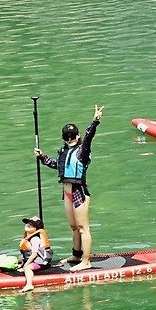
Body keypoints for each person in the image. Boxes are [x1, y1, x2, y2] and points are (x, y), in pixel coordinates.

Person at [36, 104, 103, 271]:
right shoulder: (62, 152)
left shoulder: (82, 150)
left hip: (79, 191)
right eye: (67, 136)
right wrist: (42, 157)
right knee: (73, 227)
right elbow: (56, 165)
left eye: (72, 135)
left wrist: (94, 121)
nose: (69, 138)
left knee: (82, 228)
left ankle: (86, 261)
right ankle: (76, 254)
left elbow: (89, 137)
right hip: (66, 193)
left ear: (77, 136)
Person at [18, 215, 53, 292]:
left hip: (40, 263)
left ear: (37, 229)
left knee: (27, 268)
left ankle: (29, 284)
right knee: (20, 259)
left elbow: (34, 254)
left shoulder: (35, 239)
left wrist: (26, 265)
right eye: (28, 223)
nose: (28, 225)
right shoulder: (28, 238)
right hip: (34, 260)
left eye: (32, 225)